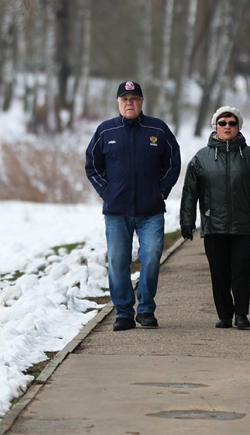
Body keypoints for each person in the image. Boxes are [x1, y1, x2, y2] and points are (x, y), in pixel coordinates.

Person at [85, 80, 181, 331]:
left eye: (134, 99)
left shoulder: (157, 129)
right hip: (117, 212)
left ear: (141, 102)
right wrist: (106, 192)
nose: (130, 103)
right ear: (118, 102)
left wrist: (162, 190)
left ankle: (146, 309)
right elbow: (92, 166)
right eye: (125, 99)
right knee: (118, 263)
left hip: (151, 211)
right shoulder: (106, 131)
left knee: (151, 257)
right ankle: (124, 313)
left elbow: (173, 162)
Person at [179, 106, 250, 330]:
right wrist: (187, 221)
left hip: (244, 225)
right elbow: (190, 193)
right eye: (222, 123)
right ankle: (224, 315)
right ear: (215, 126)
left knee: (242, 270)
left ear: (238, 127)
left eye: (232, 123)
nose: (227, 127)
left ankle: (241, 314)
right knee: (219, 272)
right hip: (214, 225)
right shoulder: (201, 158)